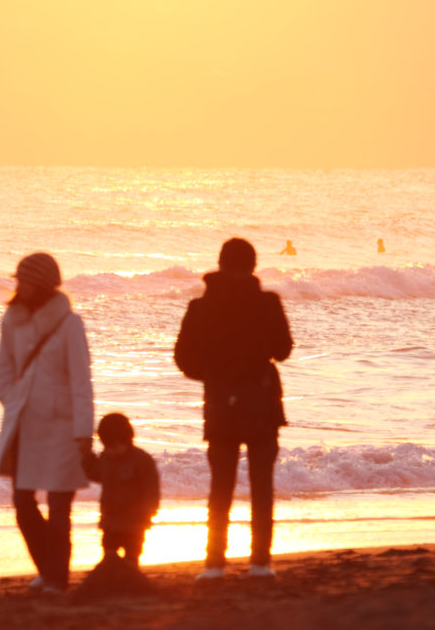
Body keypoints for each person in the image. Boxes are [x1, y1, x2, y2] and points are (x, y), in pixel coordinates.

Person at [174, 238, 293, 580]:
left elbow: (183, 358)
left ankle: (213, 565)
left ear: (220, 264)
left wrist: (212, 376)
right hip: (262, 400)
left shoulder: (200, 307)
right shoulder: (268, 303)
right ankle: (260, 563)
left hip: (221, 403)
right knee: (261, 485)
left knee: (220, 485)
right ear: (253, 266)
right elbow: (283, 350)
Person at [0, 252, 94, 594]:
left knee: (60, 507)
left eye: (24, 280)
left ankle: (57, 579)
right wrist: (11, 398)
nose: (18, 286)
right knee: (22, 501)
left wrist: (83, 432)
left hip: (63, 428)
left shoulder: (69, 324)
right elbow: (5, 368)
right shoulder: (12, 318)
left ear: (41, 284)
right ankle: (47, 569)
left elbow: (82, 382)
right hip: (24, 425)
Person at [85, 413, 160, 568]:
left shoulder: (142, 460)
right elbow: (95, 474)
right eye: (107, 446)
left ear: (127, 439)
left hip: (135, 523)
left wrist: (148, 513)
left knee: (131, 560)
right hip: (110, 521)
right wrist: (86, 456)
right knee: (109, 558)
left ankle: (132, 582)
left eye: (115, 446)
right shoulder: (105, 459)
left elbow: (152, 490)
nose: (111, 450)